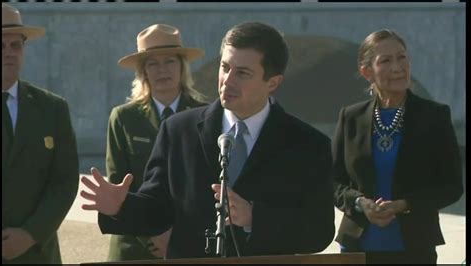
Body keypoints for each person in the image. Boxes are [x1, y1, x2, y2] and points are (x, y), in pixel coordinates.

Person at [81, 22, 335, 259]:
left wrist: (254, 218)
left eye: (243, 73)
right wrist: (122, 206)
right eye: (225, 68)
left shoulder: (308, 145)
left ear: (273, 83)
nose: (227, 81)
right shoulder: (179, 130)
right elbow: (157, 211)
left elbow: (319, 232)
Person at [332, 29, 463, 264]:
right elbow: (333, 181)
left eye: (402, 57)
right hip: (357, 247)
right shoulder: (350, 117)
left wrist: (403, 205)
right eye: (386, 60)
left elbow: (451, 186)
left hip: (415, 246)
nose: (397, 67)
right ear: (367, 72)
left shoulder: (435, 116)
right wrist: (360, 203)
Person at [105, 24, 207, 261]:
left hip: (190, 246)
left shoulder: (206, 116)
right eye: (153, 63)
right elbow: (118, 185)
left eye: (170, 61)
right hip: (134, 247)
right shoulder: (123, 118)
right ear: (143, 72)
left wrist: (177, 237)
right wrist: (154, 236)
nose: (162, 70)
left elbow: (208, 186)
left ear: (182, 67)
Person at [2, 4, 79, 264]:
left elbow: (65, 181)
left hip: (37, 253)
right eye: (0, 45)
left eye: (16, 45)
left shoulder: (52, 108)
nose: (9, 53)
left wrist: (30, 234)